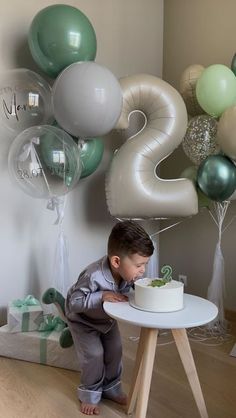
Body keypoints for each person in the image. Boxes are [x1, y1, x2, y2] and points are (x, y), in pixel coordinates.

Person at [65, 220, 154, 415]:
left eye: (145, 264)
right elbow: (74, 302)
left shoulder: (127, 274)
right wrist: (101, 296)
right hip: (82, 320)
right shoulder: (93, 275)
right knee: (95, 354)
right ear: (116, 262)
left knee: (115, 349)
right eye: (139, 265)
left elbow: (130, 289)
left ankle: (111, 388)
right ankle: (89, 393)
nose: (143, 270)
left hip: (105, 320)